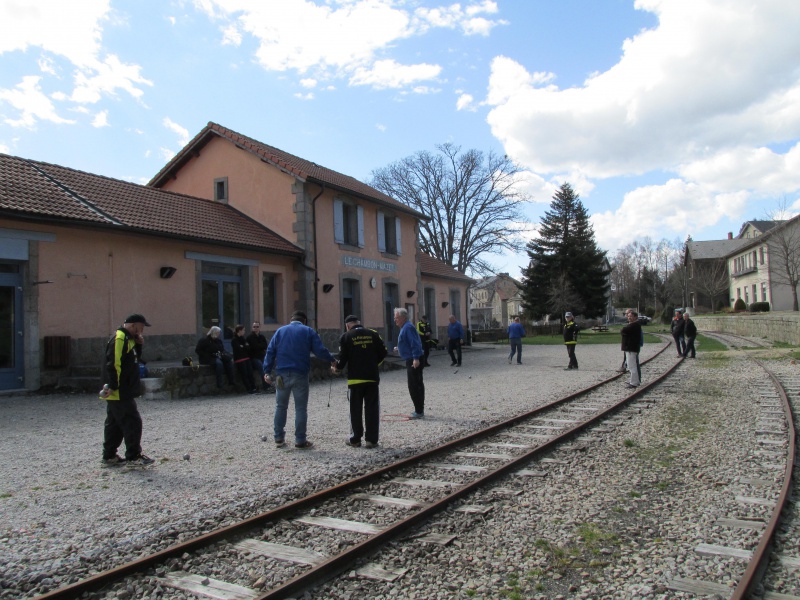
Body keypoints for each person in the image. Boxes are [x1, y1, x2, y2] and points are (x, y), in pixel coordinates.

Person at [263, 311, 336, 449]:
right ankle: (300, 440)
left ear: (291, 319)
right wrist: (332, 360)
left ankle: (278, 438)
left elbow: (270, 351)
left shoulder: (280, 331)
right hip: (300, 373)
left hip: (281, 375)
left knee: (280, 406)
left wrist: (266, 371)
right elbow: (319, 350)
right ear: (304, 321)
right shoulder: (308, 331)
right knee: (300, 408)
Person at [101, 314, 154, 467]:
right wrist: (113, 386)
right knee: (133, 422)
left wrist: (139, 345)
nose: (142, 330)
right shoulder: (120, 338)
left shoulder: (129, 339)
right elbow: (114, 364)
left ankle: (109, 455)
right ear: (133, 325)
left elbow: (134, 360)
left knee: (114, 424)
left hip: (122, 389)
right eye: (141, 326)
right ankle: (133, 456)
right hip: (120, 390)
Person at [333, 315, 388, 448]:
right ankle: (371, 440)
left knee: (355, 409)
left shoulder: (346, 336)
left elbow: (342, 358)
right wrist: (374, 364)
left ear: (347, 326)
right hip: (371, 377)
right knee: (372, 408)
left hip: (355, 379)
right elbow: (383, 352)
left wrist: (337, 368)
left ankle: (355, 438)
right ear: (359, 323)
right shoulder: (373, 334)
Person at [394, 307, 426, 418]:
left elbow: (415, 343)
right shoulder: (405, 327)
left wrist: (416, 358)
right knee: (415, 384)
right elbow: (407, 342)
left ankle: (419, 411)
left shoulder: (408, 327)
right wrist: (399, 348)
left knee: (414, 385)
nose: (395, 320)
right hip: (411, 358)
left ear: (403, 318)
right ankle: (419, 409)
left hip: (413, 359)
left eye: (397, 318)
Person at [231, 324, 258, 394]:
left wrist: (243, 346)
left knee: (250, 373)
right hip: (239, 359)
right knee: (244, 374)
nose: (244, 332)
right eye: (243, 330)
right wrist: (243, 347)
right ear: (239, 331)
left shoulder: (243, 338)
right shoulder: (234, 340)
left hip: (246, 357)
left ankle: (254, 387)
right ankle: (249, 389)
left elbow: (248, 347)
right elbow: (238, 349)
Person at [621, 309, 643, 388]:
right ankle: (634, 380)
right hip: (630, 348)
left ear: (635, 317)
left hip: (631, 348)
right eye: (628, 316)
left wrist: (623, 331)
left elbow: (624, 330)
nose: (629, 317)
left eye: (631, 316)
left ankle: (634, 382)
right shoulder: (632, 325)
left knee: (632, 366)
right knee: (631, 365)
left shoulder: (634, 325)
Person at [247, 321, 270, 391]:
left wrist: (259, 346)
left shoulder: (262, 337)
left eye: (257, 327)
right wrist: (260, 346)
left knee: (268, 368)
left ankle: (270, 384)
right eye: (254, 327)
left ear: (259, 327)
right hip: (254, 358)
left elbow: (265, 346)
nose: (256, 328)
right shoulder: (250, 337)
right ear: (252, 328)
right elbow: (254, 347)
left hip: (262, 356)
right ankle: (266, 386)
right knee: (261, 368)